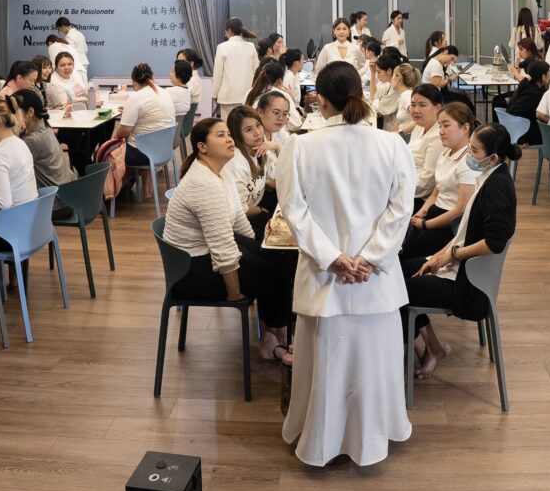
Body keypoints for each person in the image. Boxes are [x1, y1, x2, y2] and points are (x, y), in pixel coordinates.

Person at [278, 61, 416, 467]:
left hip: (326, 279)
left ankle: (319, 439)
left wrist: (334, 259)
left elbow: (294, 213)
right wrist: (370, 259)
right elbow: (401, 210)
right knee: (375, 363)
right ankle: (375, 434)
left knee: (326, 364)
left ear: (320, 100)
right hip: (375, 280)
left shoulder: (301, 146)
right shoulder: (392, 144)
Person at [164, 118, 293, 364]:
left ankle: (276, 334)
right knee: (274, 276)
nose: (229, 139)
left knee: (278, 257)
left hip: (204, 253)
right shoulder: (203, 183)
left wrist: (258, 250)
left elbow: (238, 221)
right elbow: (222, 247)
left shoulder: (220, 172)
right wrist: (234, 294)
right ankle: (277, 339)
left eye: (228, 134)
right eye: (220, 135)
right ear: (202, 147)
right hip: (190, 270)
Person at [402, 122, 517, 380]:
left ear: (493, 157)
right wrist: (439, 257)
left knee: (398, 288)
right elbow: (463, 233)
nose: (469, 156)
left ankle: (423, 349)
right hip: (462, 266)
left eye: (474, 152)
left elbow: (494, 243)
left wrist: (451, 256)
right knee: (399, 271)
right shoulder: (489, 176)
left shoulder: (497, 187)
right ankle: (432, 346)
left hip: (469, 285)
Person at [403, 102, 477, 257]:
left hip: (450, 225)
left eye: (446, 126)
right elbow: (436, 193)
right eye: (439, 126)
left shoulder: (468, 162)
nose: (441, 131)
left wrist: (426, 224)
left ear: (465, 128)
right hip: (435, 212)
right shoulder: (445, 154)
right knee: (400, 239)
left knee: (404, 251)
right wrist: (421, 214)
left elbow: (460, 210)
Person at [10, 88, 77, 189]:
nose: (10, 117)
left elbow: (11, 171)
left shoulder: (32, 140)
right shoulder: (45, 127)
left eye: (14, 112)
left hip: (55, 196)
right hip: (68, 187)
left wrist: (14, 132)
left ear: (30, 112)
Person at [115, 62, 177, 168]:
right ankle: (141, 178)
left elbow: (124, 132)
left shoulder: (135, 98)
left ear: (134, 82)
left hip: (143, 154)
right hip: (165, 149)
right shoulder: (165, 93)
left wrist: (114, 137)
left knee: (107, 151)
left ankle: (126, 179)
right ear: (152, 77)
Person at [223, 104, 272, 234]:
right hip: (237, 221)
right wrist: (260, 210)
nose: (257, 133)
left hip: (253, 206)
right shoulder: (237, 163)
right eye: (249, 130)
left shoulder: (258, 148)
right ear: (237, 135)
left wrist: (277, 146)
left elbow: (275, 176)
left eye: (258, 125)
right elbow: (239, 210)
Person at [212, 18, 260, 120]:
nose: (225, 34)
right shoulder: (251, 46)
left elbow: (218, 74)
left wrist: (215, 94)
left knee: (228, 125)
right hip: (247, 95)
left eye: (225, 32)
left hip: (227, 96)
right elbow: (257, 71)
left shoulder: (222, 47)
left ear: (229, 31)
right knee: (245, 124)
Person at [407, 83, 445, 210]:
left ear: (438, 108)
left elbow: (427, 184)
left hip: (420, 199)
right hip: (407, 183)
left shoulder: (439, 137)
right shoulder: (419, 126)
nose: (416, 110)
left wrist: (396, 188)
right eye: (413, 105)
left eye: (422, 105)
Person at [504, 59, 550, 146]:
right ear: (543, 76)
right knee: (549, 129)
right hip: (522, 130)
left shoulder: (527, 85)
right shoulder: (535, 93)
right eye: (548, 73)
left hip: (512, 126)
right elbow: (540, 115)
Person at [176, 48, 204, 115]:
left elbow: (178, 99)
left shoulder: (191, 81)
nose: (177, 65)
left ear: (191, 63)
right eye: (177, 62)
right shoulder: (192, 78)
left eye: (181, 62)